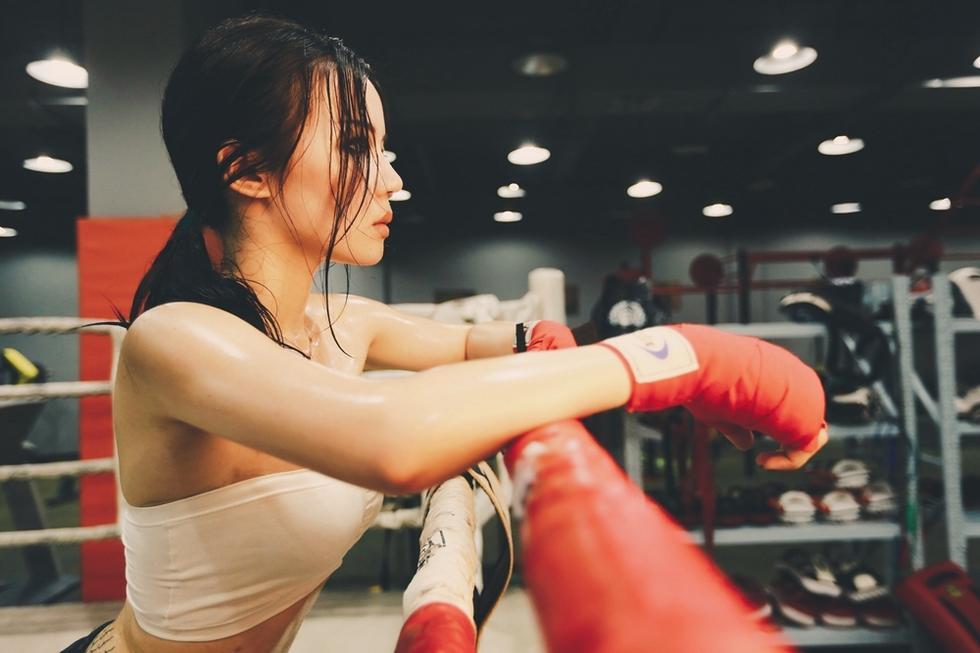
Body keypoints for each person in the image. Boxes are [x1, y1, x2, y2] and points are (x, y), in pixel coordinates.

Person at [62, 13, 827, 653]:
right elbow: (394, 439)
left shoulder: (343, 323)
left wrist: (553, 342)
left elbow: (470, 343)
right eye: (359, 146)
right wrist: (679, 358)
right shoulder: (177, 342)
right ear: (247, 171)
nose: (393, 178)